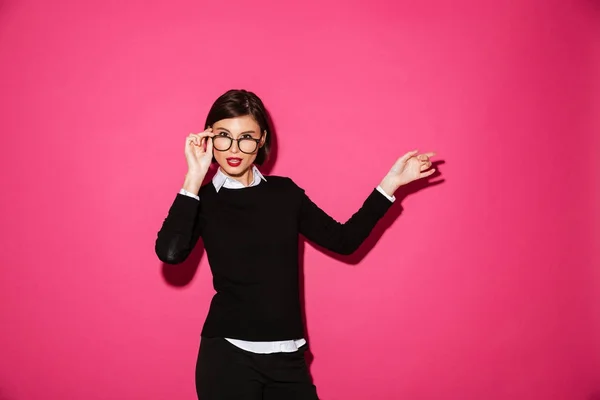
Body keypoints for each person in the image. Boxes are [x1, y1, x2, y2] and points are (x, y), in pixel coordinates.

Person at [155, 89, 436, 400]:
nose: (234, 148)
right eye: (223, 135)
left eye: (246, 136)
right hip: (227, 357)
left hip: (287, 359)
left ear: (261, 140)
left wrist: (391, 183)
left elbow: (344, 241)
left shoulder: (285, 194)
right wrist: (193, 178)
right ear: (208, 137)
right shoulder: (202, 198)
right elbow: (170, 253)